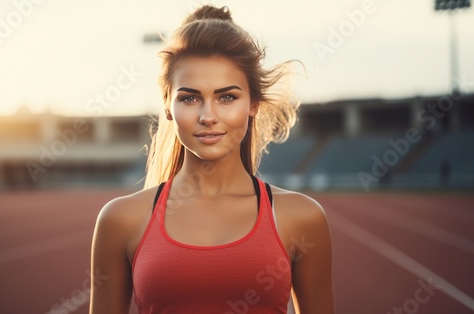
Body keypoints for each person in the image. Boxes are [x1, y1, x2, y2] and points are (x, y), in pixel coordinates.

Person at [89, 5, 334, 314]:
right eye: (189, 98)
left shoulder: (303, 217)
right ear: (167, 105)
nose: (208, 116)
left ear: (253, 104)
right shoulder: (119, 219)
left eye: (227, 97)